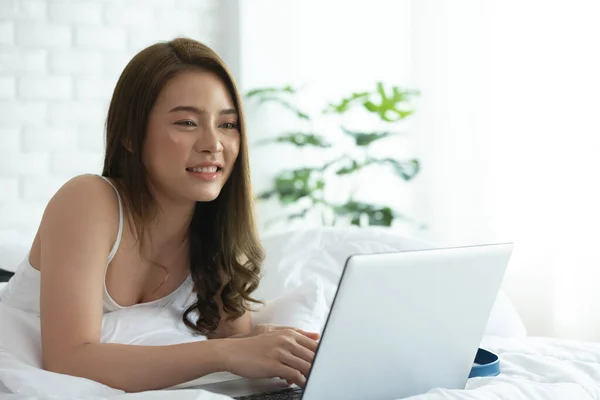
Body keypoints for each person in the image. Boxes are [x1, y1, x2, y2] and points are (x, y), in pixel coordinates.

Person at [0, 37, 319, 392]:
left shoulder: (212, 233)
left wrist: (275, 343)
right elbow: (69, 360)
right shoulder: (88, 200)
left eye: (227, 125)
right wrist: (225, 352)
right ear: (130, 136)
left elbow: (236, 337)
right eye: (186, 123)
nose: (213, 144)